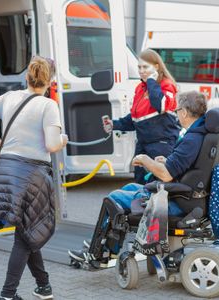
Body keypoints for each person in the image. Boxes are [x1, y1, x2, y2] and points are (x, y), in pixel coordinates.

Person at [69, 91, 208, 264]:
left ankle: (101, 253)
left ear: (185, 112)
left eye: (177, 109)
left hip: (176, 202)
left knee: (113, 199)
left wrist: (144, 159)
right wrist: (166, 161)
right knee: (129, 188)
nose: (176, 113)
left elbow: (165, 175)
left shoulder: (191, 140)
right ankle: (104, 245)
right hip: (186, 195)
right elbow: (185, 167)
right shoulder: (201, 134)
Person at [0, 57, 68, 300]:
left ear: (26, 77)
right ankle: (7, 295)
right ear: (50, 81)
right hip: (33, 176)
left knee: (28, 230)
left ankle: (44, 285)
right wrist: (63, 140)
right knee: (25, 236)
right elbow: (51, 144)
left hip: (6, 172)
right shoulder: (47, 106)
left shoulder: (9, 97)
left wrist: (2, 146)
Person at [103, 49, 179, 184]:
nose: (141, 71)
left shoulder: (166, 84)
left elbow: (161, 105)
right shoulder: (140, 88)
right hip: (143, 144)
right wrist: (114, 124)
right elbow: (136, 118)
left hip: (161, 144)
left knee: (158, 184)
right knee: (139, 182)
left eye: (145, 67)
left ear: (156, 67)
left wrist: (151, 82)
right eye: (139, 67)